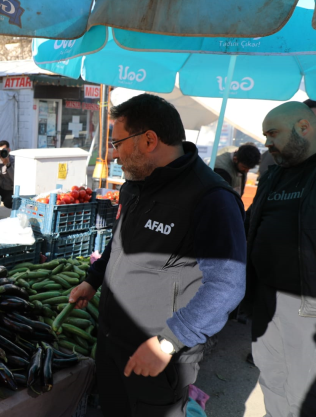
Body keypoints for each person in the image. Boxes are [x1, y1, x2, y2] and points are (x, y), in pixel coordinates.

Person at [68, 94, 246, 416]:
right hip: (113, 344)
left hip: (160, 357)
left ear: (149, 140)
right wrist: (93, 280)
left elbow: (227, 284)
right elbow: (120, 243)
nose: (114, 154)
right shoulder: (136, 185)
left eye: (118, 142)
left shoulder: (211, 197)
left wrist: (169, 341)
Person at [246, 101, 316, 416]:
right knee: (273, 381)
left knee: (305, 395)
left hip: (308, 309)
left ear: (304, 127)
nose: (267, 142)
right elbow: (250, 223)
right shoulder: (273, 176)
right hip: (265, 302)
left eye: (273, 133)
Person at [0, 140, 15, 209]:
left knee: (7, 204)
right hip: (1, 188)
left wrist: (8, 165)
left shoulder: (14, 160)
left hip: (10, 190)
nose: (2, 153)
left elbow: (15, 179)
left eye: (4, 150)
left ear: (9, 150)